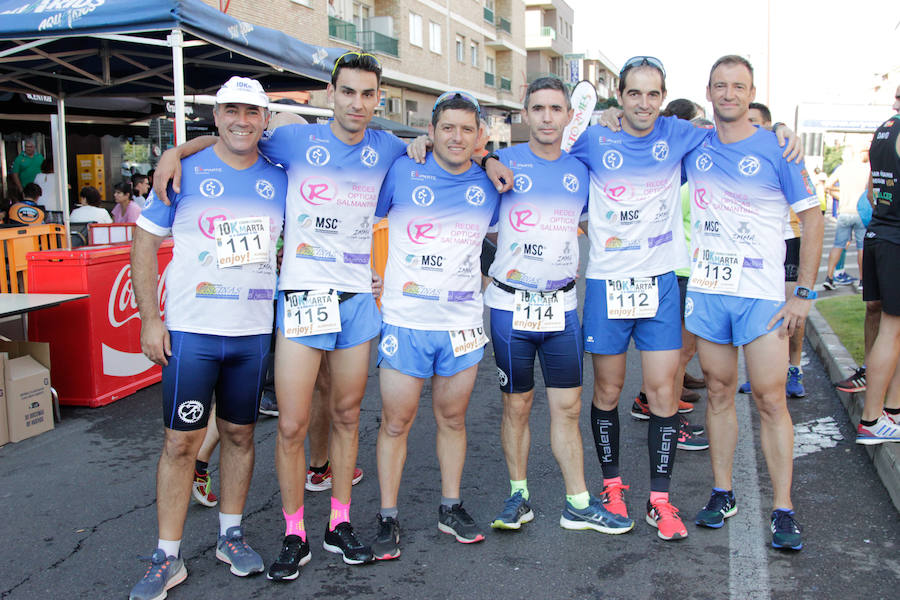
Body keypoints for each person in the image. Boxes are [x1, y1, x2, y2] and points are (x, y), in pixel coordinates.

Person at [128, 76, 287, 600]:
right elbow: (145, 242)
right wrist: (152, 319)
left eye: (252, 112)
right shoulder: (185, 172)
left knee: (240, 435)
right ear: (215, 117)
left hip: (251, 332)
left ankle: (231, 536)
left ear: (266, 120)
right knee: (180, 444)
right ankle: (166, 557)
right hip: (193, 330)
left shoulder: (280, 175)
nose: (242, 119)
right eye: (231, 111)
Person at [571, 57, 720, 541]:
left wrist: (781, 131)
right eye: (634, 93)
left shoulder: (679, 134)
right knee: (609, 392)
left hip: (657, 283)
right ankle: (612, 488)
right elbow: (540, 152)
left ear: (663, 98)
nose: (643, 103)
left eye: (652, 94)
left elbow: (735, 127)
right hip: (608, 284)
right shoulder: (594, 139)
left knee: (662, 393)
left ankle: (660, 499)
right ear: (620, 96)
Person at [684, 55, 823, 551]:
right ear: (708, 91)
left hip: (760, 298)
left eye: (738, 86)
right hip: (708, 292)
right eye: (720, 85)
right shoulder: (693, 143)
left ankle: (783, 509)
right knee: (719, 393)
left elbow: (812, 217)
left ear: (751, 92)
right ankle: (723, 492)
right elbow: (636, 131)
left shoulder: (776, 147)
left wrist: (803, 293)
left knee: (769, 399)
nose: (728, 94)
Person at [484, 76, 634, 535]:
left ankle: (579, 502)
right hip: (511, 308)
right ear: (525, 114)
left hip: (562, 307)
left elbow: (595, 226)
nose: (547, 117)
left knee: (568, 407)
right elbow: (480, 219)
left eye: (556, 109)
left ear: (569, 116)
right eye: (539, 109)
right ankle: (519, 496)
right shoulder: (500, 163)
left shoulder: (580, 171)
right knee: (518, 406)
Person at [370, 91, 500, 560]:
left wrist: (492, 161)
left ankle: (451, 505)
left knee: (452, 419)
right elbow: (362, 217)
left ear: (479, 135)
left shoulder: (490, 182)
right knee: (396, 423)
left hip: (462, 326)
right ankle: (387, 516)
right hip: (405, 321)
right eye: (448, 127)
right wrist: (367, 268)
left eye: (467, 129)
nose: (457, 137)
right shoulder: (404, 170)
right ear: (431, 131)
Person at [739, 102, 809, 398]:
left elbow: (809, 207)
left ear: (767, 126)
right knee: (754, 310)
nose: (749, 126)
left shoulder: (785, 152)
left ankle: (794, 368)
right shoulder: (735, 154)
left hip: (788, 238)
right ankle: (761, 371)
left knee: (790, 308)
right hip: (751, 245)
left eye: (755, 122)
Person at [855, 83, 900, 443]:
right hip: (896, 239)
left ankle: (892, 411)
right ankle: (871, 420)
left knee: (895, 328)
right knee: (891, 327)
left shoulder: (884, 129)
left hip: (881, 232)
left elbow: (871, 191)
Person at [822, 148, 869, 290]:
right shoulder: (867, 169)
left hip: (844, 211)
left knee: (838, 245)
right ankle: (862, 281)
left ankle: (829, 277)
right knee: (862, 248)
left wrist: (839, 195)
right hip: (861, 212)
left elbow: (827, 185)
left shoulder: (843, 169)